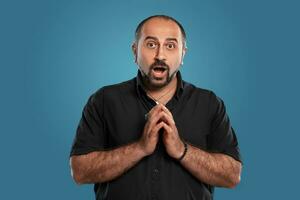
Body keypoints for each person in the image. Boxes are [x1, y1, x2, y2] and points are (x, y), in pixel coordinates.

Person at [70, 15, 242, 200]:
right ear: (135, 51)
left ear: (183, 53)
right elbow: (80, 172)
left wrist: (181, 150)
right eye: (151, 44)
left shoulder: (209, 103)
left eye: (170, 45)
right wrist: (140, 148)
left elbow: (232, 176)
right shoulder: (104, 100)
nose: (160, 55)